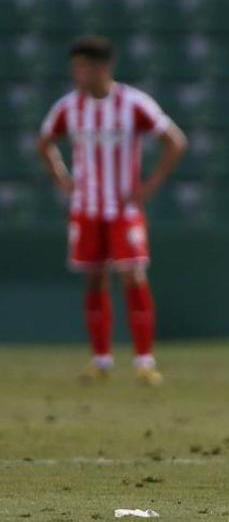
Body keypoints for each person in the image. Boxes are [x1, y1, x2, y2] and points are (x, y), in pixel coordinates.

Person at [36, 36, 188, 385]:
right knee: (94, 278)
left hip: (122, 208)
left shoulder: (133, 103)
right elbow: (45, 143)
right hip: (86, 209)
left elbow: (175, 141)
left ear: (102, 67)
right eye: (74, 67)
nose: (77, 74)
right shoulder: (68, 107)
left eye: (83, 66)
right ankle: (101, 360)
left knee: (133, 274)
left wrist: (150, 185)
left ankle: (144, 361)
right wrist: (61, 177)